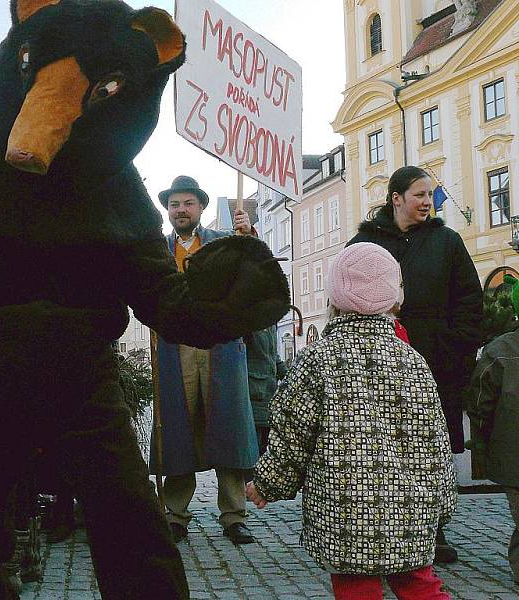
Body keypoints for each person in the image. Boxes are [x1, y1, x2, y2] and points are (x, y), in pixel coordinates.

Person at [246, 242, 456, 600]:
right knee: (420, 585)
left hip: (345, 514)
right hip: (410, 510)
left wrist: (267, 484)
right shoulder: (413, 361)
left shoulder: (317, 359)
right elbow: (436, 442)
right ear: (395, 298)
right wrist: (443, 502)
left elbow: (292, 435)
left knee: (357, 589)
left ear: (334, 296)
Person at [348, 165, 483, 563]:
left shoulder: (447, 242)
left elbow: (469, 300)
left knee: (431, 449)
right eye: (419, 195)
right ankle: (382, 529)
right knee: (383, 447)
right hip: (378, 361)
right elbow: (346, 297)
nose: (427, 202)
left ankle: (433, 529)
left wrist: (459, 348)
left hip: (436, 362)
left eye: (430, 195)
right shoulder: (364, 243)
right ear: (396, 199)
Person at [150, 175, 259, 545]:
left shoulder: (226, 245)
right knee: (178, 431)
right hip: (175, 348)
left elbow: (253, 279)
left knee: (226, 427)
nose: (181, 210)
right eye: (175, 205)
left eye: (188, 204)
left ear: (201, 208)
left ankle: (233, 515)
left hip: (220, 347)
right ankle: (175, 514)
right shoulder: (158, 250)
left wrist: (250, 239)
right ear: (168, 211)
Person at [466, 273, 519, 586]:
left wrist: (483, 440)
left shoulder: (499, 350)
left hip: (512, 457)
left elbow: (480, 402)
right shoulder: (499, 351)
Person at [243, 324, 286, 452]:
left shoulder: (270, 322)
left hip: (269, 393)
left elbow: (273, 356)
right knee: (253, 449)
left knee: (267, 449)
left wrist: (291, 376)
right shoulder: (248, 319)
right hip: (253, 393)